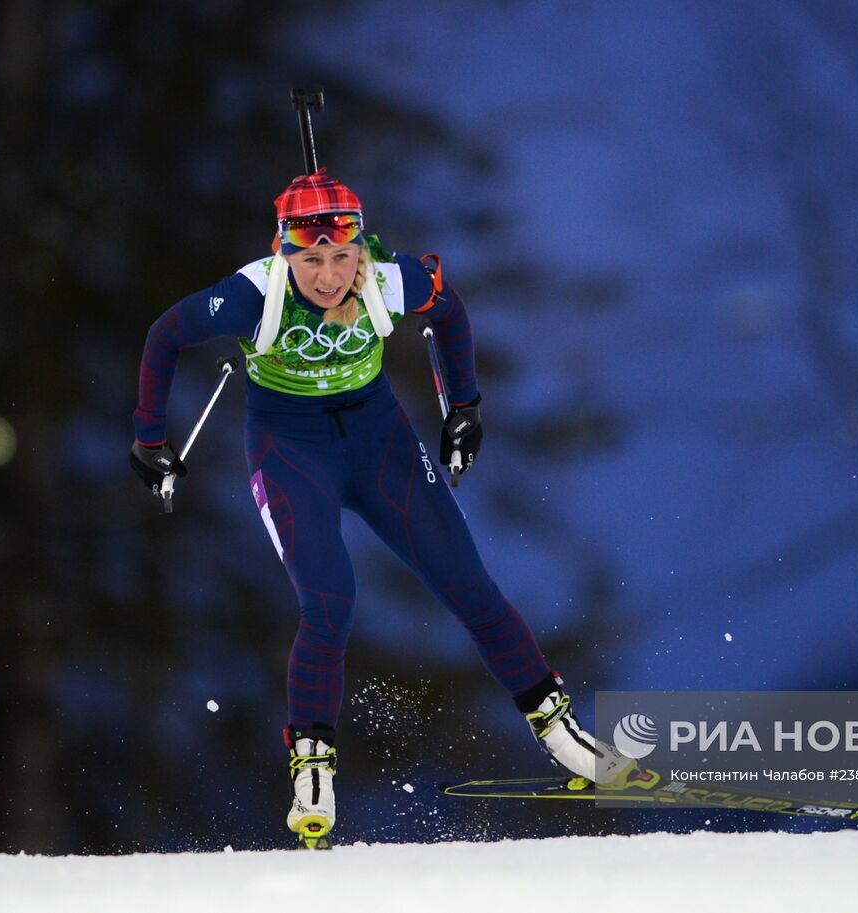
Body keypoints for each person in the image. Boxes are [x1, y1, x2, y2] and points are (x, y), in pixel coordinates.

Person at [129, 169, 634, 849]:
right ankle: (312, 769)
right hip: (290, 448)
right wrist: (148, 437)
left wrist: (465, 407)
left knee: (469, 583)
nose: (330, 276)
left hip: (378, 441)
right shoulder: (253, 294)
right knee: (330, 602)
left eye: (341, 257)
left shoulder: (388, 278)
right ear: (284, 254)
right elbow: (166, 334)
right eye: (311, 260)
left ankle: (562, 731)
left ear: (360, 250)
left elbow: (449, 312)